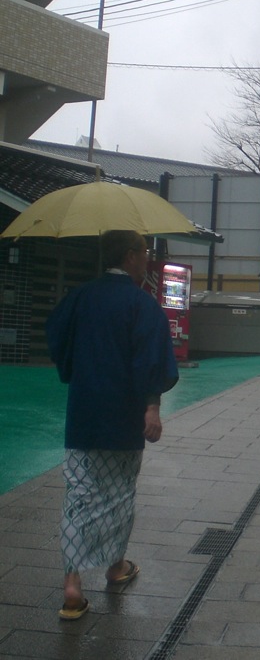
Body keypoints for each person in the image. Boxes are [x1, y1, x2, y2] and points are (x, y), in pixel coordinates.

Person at [46, 230, 179, 620]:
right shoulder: (141, 305)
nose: (147, 258)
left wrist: (78, 370)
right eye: (144, 252)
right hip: (124, 416)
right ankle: (115, 566)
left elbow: (58, 340)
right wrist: (151, 407)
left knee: (78, 495)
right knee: (119, 493)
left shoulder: (79, 297)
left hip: (83, 414)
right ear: (130, 257)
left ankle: (72, 584)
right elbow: (151, 359)